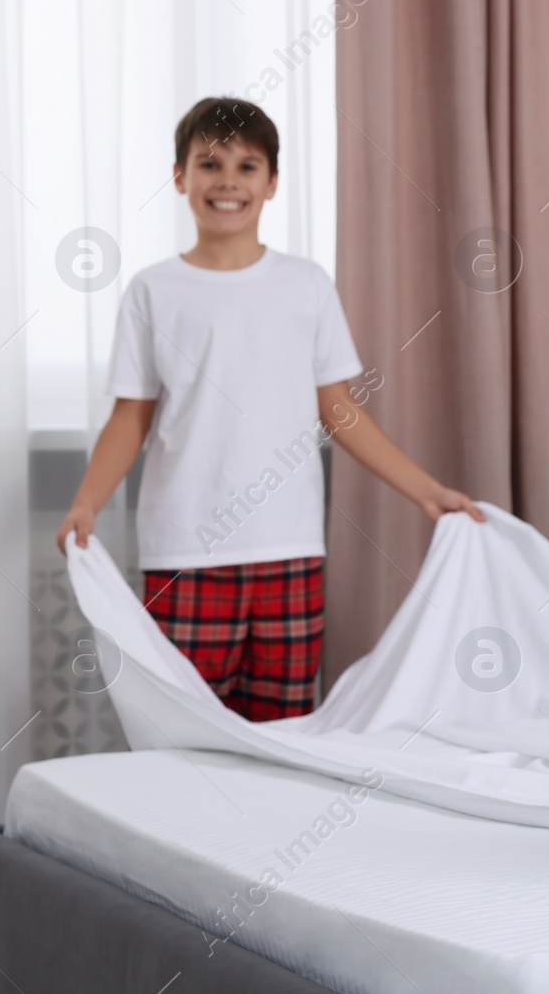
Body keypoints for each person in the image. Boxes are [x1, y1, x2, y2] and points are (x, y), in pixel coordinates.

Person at [57, 96, 484, 722]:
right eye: (210, 163)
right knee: (190, 736)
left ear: (273, 182)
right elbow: (131, 417)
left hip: (288, 548)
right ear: (180, 178)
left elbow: (339, 410)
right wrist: (87, 501)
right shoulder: (153, 292)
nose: (228, 180)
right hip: (186, 552)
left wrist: (426, 492)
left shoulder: (306, 285)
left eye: (247, 166)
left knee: (282, 737)